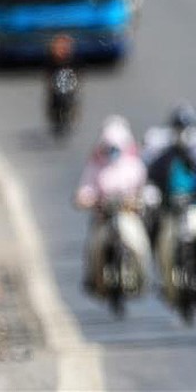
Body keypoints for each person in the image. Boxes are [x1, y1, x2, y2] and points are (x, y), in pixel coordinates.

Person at [74, 115, 149, 293]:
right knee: (93, 248)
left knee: (139, 245)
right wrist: (85, 199)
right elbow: (86, 188)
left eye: (116, 147)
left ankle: (142, 277)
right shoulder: (95, 165)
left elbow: (145, 190)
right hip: (103, 218)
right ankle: (93, 279)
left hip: (127, 216)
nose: (112, 151)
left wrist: (141, 200)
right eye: (109, 148)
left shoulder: (134, 165)